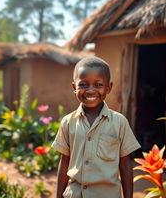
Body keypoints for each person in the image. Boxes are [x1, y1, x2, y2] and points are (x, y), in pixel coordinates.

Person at [52, 56, 140, 198]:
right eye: (83, 85)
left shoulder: (119, 122)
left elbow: (125, 165)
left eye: (98, 85)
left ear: (109, 87)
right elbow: (64, 162)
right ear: (74, 87)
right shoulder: (68, 122)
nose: (90, 90)